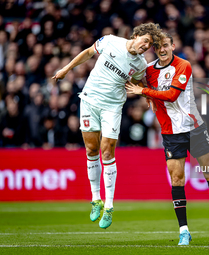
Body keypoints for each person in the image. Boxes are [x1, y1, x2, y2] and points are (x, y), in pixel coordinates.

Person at [125, 33, 209, 245]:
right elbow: (136, 79)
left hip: (194, 128)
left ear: (173, 45)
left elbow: (172, 95)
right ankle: (184, 230)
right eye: (158, 47)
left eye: (166, 45)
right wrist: (147, 94)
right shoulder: (149, 70)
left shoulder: (183, 65)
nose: (162, 49)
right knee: (177, 180)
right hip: (170, 132)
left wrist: (143, 91)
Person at [52, 23, 163, 229]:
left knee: (107, 151)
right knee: (91, 149)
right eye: (145, 40)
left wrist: (146, 93)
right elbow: (87, 53)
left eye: (150, 44)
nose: (147, 46)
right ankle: (96, 199)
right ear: (136, 35)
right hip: (89, 101)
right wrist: (66, 69)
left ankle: (109, 207)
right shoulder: (110, 40)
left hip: (112, 107)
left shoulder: (140, 64)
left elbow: (139, 82)